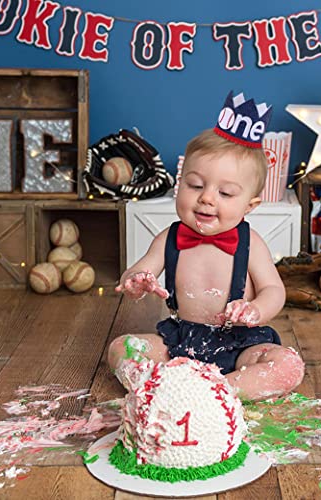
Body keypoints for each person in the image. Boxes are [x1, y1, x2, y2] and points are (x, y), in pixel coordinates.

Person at [109, 91, 304, 400]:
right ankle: (160, 390)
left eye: (225, 193)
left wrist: (256, 309)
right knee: (121, 348)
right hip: (181, 342)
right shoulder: (169, 239)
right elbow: (140, 270)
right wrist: (135, 281)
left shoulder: (250, 243)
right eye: (196, 185)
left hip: (241, 344)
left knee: (288, 365)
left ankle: (220, 391)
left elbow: (274, 290)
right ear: (180, 184)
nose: (207, 198)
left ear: (250, 205)